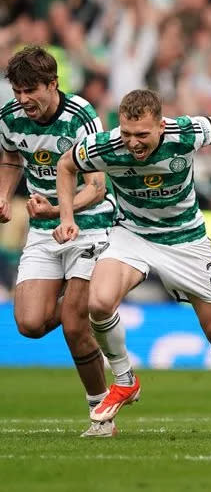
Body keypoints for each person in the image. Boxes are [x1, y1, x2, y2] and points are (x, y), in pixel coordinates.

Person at [52, 88, 211, 439]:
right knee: (99, 303)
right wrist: (65, 217)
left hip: (186, 239)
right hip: (132, 234)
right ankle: (125, 380)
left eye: (142, 134)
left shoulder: (183, 133)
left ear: (161, 126)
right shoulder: (105, 146)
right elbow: (65, 164)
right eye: (126, 133)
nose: (133, 143)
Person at [0, 46, 116, 437]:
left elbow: (96, 187)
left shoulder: (82, 117)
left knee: (72, 326)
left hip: (91, 224)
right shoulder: (10, 118)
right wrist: (4, 195)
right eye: (17, 90)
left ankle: (102, 416)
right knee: (30, 323)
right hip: (43, 229)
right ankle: (83, 306)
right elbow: (12, 155)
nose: (22, 99)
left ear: (53, 84)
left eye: (30, 89)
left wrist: (57, 209)